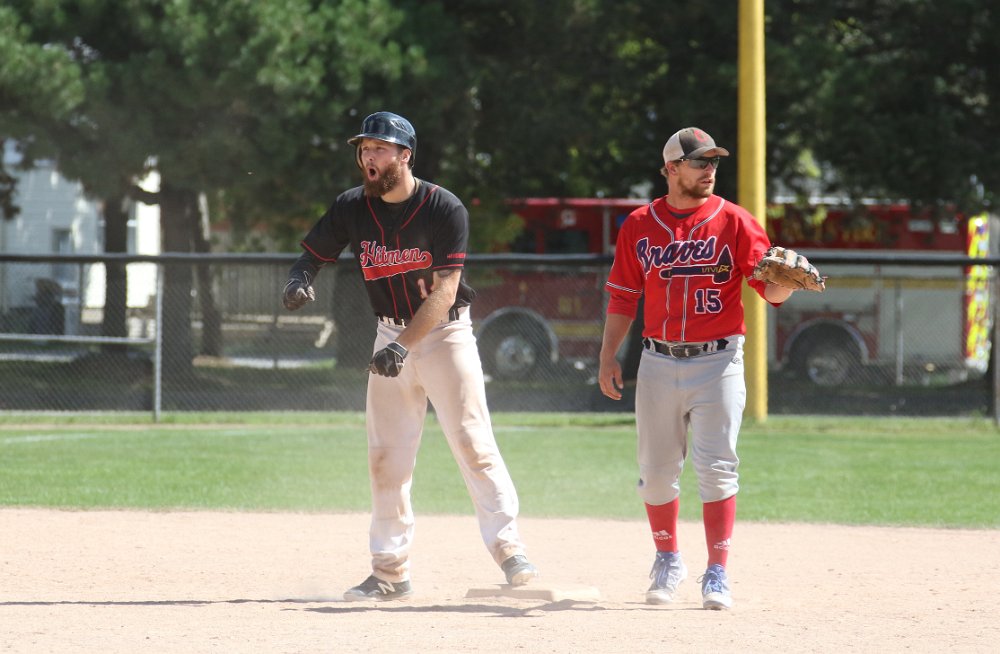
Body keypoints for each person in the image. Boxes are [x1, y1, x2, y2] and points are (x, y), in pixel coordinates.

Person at [282, 111, 539, 601]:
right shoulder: (352, 207)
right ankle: (390, 572)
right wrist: (299, 280)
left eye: (379, 148)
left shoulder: (443, 208)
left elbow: (445, 291)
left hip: (445, 335)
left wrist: (403, 347)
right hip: (389, 333)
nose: (368, 156)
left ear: (405, 155)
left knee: (473, 443)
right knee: (386, 457)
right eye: (364, 149)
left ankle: (510, 550)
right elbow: (312, 255)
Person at [598, 127, 810, 610]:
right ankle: (668, 558)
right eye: (699, 162)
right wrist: (608, 356)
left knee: (716, 469)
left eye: (714, 161)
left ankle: (717, 571)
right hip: (657, 359)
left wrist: (788, 284)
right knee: (656, 474)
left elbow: (770, 291)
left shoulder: (736, 222)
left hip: (719, 361)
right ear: (671, 169)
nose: (709, 170)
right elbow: (623, 297)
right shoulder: (639, 225)